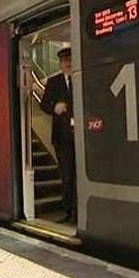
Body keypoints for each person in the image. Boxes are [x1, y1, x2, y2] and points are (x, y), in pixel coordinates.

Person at [40, 46, 76, 224]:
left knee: (80, 175)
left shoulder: (81, 77)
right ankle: (69, 212)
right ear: (61, 64)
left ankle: (79, 212)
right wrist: (54, 108)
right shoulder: (53, 82)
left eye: (70, 60)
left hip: (82, 136)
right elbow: (43, 104)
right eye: (64, 61)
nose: (68, 63)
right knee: (67, 175)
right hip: (62, 138)